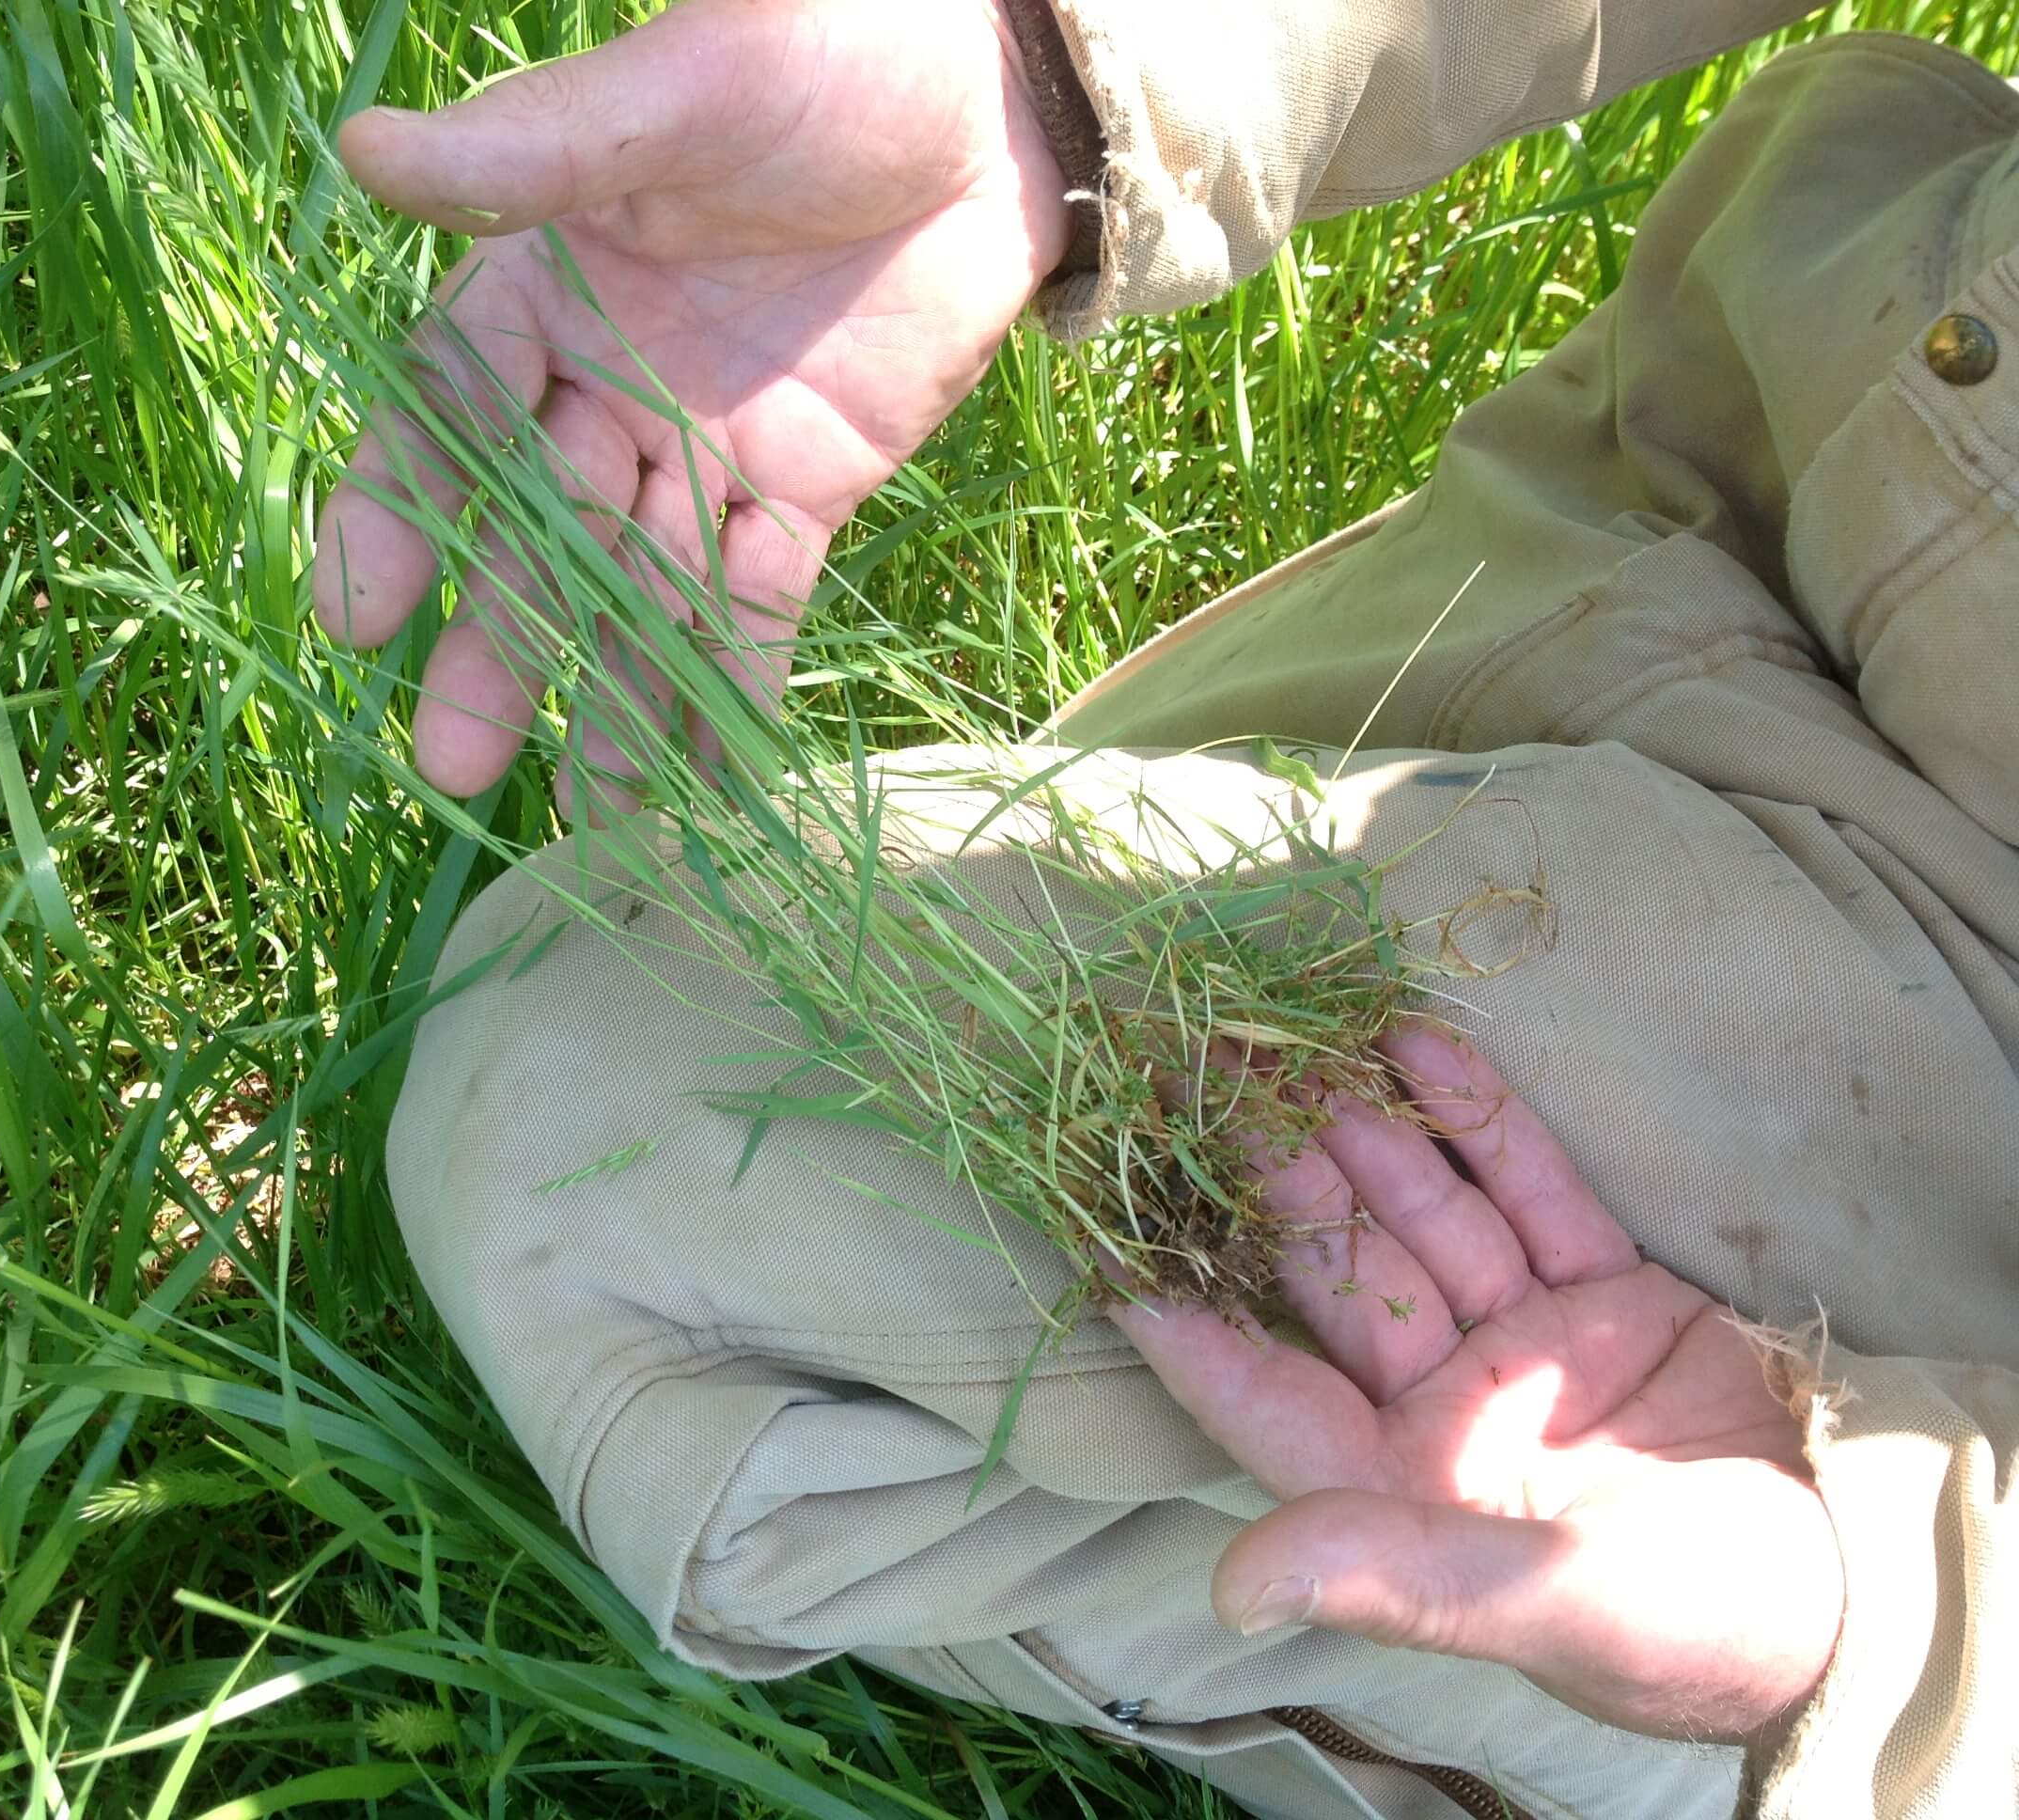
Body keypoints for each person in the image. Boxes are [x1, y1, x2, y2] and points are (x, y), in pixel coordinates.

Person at [313, 4, 2019, 1814]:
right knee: (717, 1037)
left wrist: (1899, 1628)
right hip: (1811, 403)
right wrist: (1047, 73)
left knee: (600, 1105)